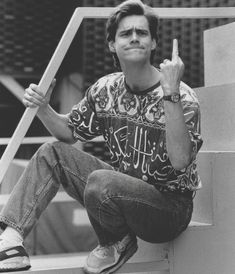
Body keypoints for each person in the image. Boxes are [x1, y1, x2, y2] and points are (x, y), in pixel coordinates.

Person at [0, 0, 203, 273]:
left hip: (168, 210)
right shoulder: (106, 89)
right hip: (122, 192)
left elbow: (180, 161)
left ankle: (114, 242)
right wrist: (43, 107)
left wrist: (171, 94)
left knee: (101, 181)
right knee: (52, 153)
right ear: (111, 44)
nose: (134, 38)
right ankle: (10, 241)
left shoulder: (183, 96)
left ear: (154, 43)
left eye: (142, 33)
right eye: (125, 33)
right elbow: (69, 133)